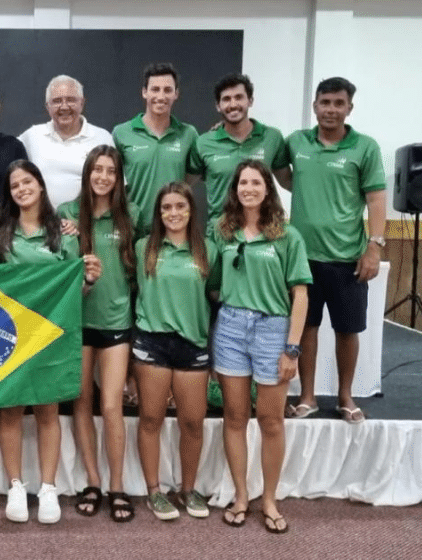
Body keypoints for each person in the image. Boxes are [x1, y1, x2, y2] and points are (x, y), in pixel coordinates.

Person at [0, 159, 102, 524]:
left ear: (40, 185)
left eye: (28, 182)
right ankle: (16, 486)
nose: (22, 189)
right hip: (9, 336)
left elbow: (75, 290)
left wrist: (89, 279)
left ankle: (48, 487)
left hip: (50, 335)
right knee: (10, 410)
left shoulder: (64, 232)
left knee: (47, 411)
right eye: (15, 185)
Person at [211, 160, 311, 534]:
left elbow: (300, 295)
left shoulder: (287, 235)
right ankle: (240, 495)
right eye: (242, 182)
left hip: (273, 331)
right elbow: (214, 284)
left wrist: (292, 348)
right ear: (235, 189)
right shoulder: (223, 232)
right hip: (231, 328)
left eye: (256, 182)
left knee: (271, 420)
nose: (248, 188)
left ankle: (269, 499)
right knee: (234, 418)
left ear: (268, 188)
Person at [284, 77, 387, 423]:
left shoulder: (365, 147)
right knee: (306, 329)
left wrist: (374, 246)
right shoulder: (296, 142)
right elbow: (283, 174)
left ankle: (345, 396)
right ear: (314, 106)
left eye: (338, 103)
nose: (330, 109)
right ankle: (308, 396)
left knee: (348, 330)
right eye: (324, 102)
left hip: (348, 259)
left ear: (349, 108)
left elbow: (375, 199)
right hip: (302, 259)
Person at [57, 145, 137, 522]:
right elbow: (54, 267)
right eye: (97, 170)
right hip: (77, 322)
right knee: (82, 404)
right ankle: (92, 481)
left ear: (118, 177)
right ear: (87, 173)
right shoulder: (67, 215)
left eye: (110, 171)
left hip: (117, 322)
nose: (103, 177)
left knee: (111, 406)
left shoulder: (130, 217)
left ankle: (117, 485)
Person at [132, 181, 217, 522]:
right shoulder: (143, 248)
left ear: (191, 210)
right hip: (152, 342)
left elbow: (214, 293)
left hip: (193, 345)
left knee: (193, 423)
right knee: (151, 419)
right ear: (159, 213)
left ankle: (188, 488)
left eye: (180, 206)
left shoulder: (207, 249)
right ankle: (154, 490)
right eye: (166, 208)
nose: (173, 213)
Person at [186, 73, 291, 235]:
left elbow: (287, 181)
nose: (233, 104)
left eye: (239, 97)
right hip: (219, 234)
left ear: (250, 101)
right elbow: (184, 184)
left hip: (262, 234)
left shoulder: (272, 137)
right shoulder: (204, 143)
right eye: (226, 99)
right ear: (218, 105)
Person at [112, 63, 198, 235]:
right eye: (155, 89)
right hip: (132, 229)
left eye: (167, 90)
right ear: (145, 92)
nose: (161, 96)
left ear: (176, 94)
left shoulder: (188, 134)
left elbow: (191, 175)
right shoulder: (121, 133)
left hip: (172, 229)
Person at [19, 75, 114, 208]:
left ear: (82, 103)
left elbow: (116, 185)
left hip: (85, 223)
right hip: (41, 225)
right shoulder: (31, 136)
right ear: (48, 107)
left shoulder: (102, 138)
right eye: (57, 101)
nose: (64, 107)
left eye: (71, 100)